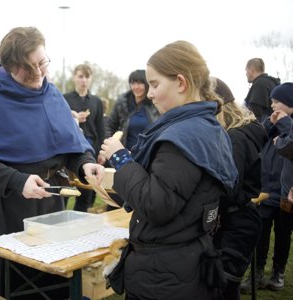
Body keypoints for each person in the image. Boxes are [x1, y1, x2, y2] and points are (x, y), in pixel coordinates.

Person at [0, 27, 104, 298]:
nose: (37, 73)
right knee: (7, 280)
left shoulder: (51, 94)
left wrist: (85, 164)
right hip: (0, 204)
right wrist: (17, 180)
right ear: (9, 65)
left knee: (47, 278)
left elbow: (69, 147)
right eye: (27, 67)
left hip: (47, 202)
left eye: (42, 63)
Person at [100, 40, 238, 300]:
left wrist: (120, 159)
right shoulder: (204, 126)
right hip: (183, 259)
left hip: (163, 273)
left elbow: (156, 205)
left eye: (154, 84)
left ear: (181, 83)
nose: (149, 93)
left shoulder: (183, 136)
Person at [211, 77, 268, 300]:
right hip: (235, 221)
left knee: (222, 288)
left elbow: (227, 190)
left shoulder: (235, 138)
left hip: (235, 226)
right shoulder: (237, 132)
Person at [240, 83, 292, 293]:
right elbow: (256, 139)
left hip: (286, 191)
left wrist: (286, 124)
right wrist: (270, 126)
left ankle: (278, 272)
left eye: (276, 102)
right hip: (265, 189)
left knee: (283, 233)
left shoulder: (289, 126)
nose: (272, 106)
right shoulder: (271, 123)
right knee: (260, 232)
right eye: (271, 102)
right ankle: (257, 273)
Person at [104, 70, 160, 210]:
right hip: (124, 156)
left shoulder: (155, 103)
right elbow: (110, 126)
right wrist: (111, 150)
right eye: (133, 83)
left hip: (145, 158)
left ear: (147, 84)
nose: (136, 87)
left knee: (140, 197)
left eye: (140, 83)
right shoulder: (122, 101)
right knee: (115, 198)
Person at [64, 64, 105, 212]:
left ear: (91, 79)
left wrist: (102, 152)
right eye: (80, 76)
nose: (84, 80)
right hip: (69, 152)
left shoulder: (96, 101)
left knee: (87, 193)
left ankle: (79, 226)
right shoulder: (64, 99)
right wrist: (73, 119)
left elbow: (101, 129)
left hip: (91, 152)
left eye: (87, 77)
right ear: (74, 77)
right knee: (65, 191)